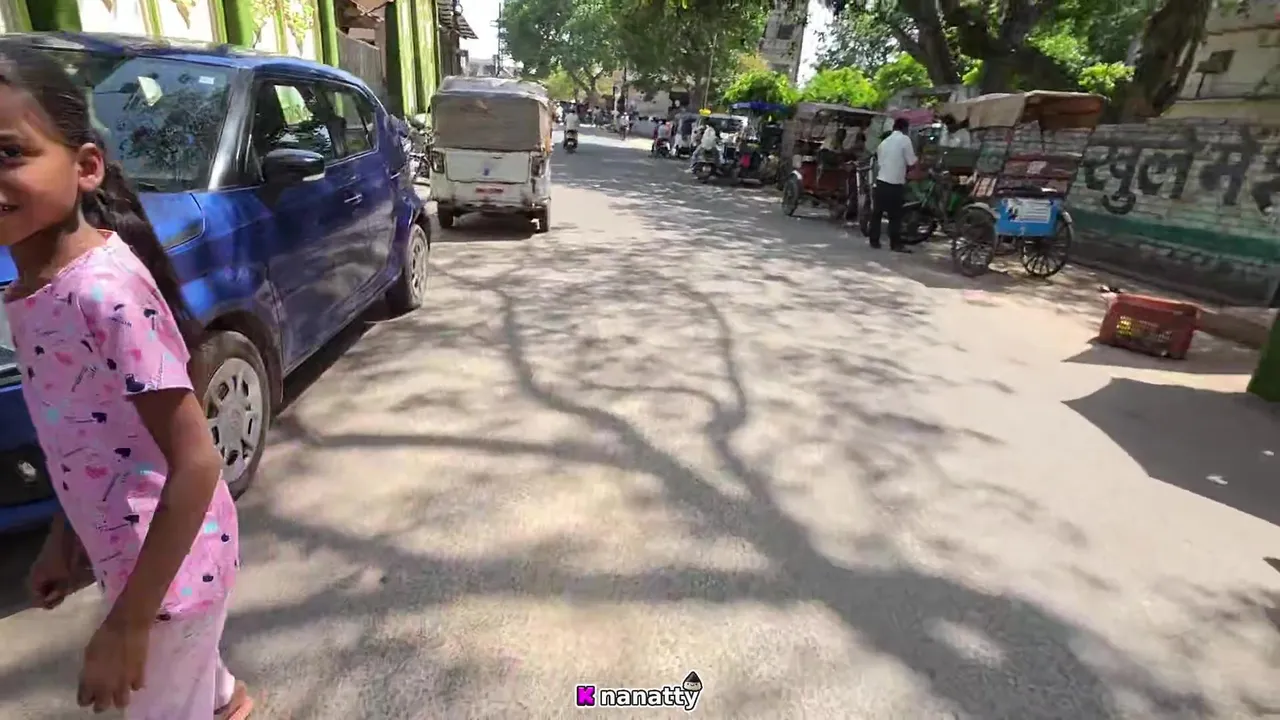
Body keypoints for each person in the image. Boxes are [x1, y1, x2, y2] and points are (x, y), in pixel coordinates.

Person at [0, 42, 251, 718]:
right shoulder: (32, 289)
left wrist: (127, 625)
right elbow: (87, 440)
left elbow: (196, 462)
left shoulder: (103, 293)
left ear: (85, 167)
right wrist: (63, 538)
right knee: (197, 686)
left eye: (8, 153)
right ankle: (226, 700)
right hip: (132, 560)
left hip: (170, 578)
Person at [866, 116, 918, 253]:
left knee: (877, 213)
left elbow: (881, 162)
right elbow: (912, 161)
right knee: (895, 216)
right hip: (895, 183)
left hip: (881, 181)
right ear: (905, 128)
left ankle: (874, 241)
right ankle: (895, 244)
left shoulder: (883, 143)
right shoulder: (905, 140)